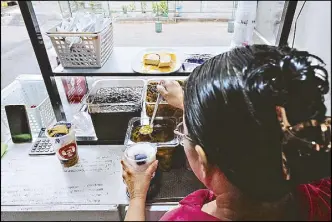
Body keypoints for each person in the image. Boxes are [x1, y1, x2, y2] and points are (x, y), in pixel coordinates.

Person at [121, 45, 331, 221]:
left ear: (203, 160)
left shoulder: (180, 219)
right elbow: (255, 125)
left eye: (184, 130)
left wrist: (137, 195)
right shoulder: (322, 190)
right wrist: (190, 104)